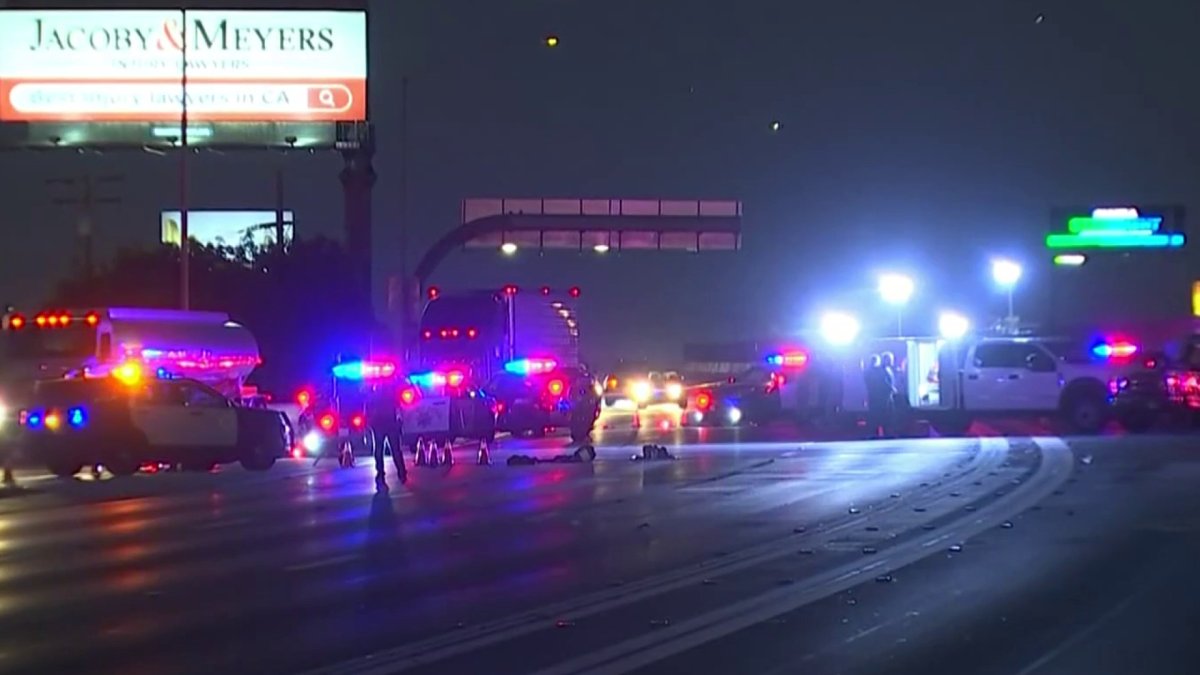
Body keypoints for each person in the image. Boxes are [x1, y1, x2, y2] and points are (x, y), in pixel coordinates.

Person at [863, 354, 885, 438]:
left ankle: (874, 432)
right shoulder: (878, 372)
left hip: (873, 395)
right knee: (877, 414)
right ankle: (876, 432)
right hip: (876, 396)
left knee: (874, 414)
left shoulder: (867, 371)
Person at [879, 352, 899, 438]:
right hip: (884, 396)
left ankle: (889, 432)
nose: (892, 361)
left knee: (890, 413)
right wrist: (892, 388)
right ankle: (887, 433)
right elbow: (884, 382)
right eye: (890, 359)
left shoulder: (888, 369)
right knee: (887, 414)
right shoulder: (882, 370)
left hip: (889, 396)